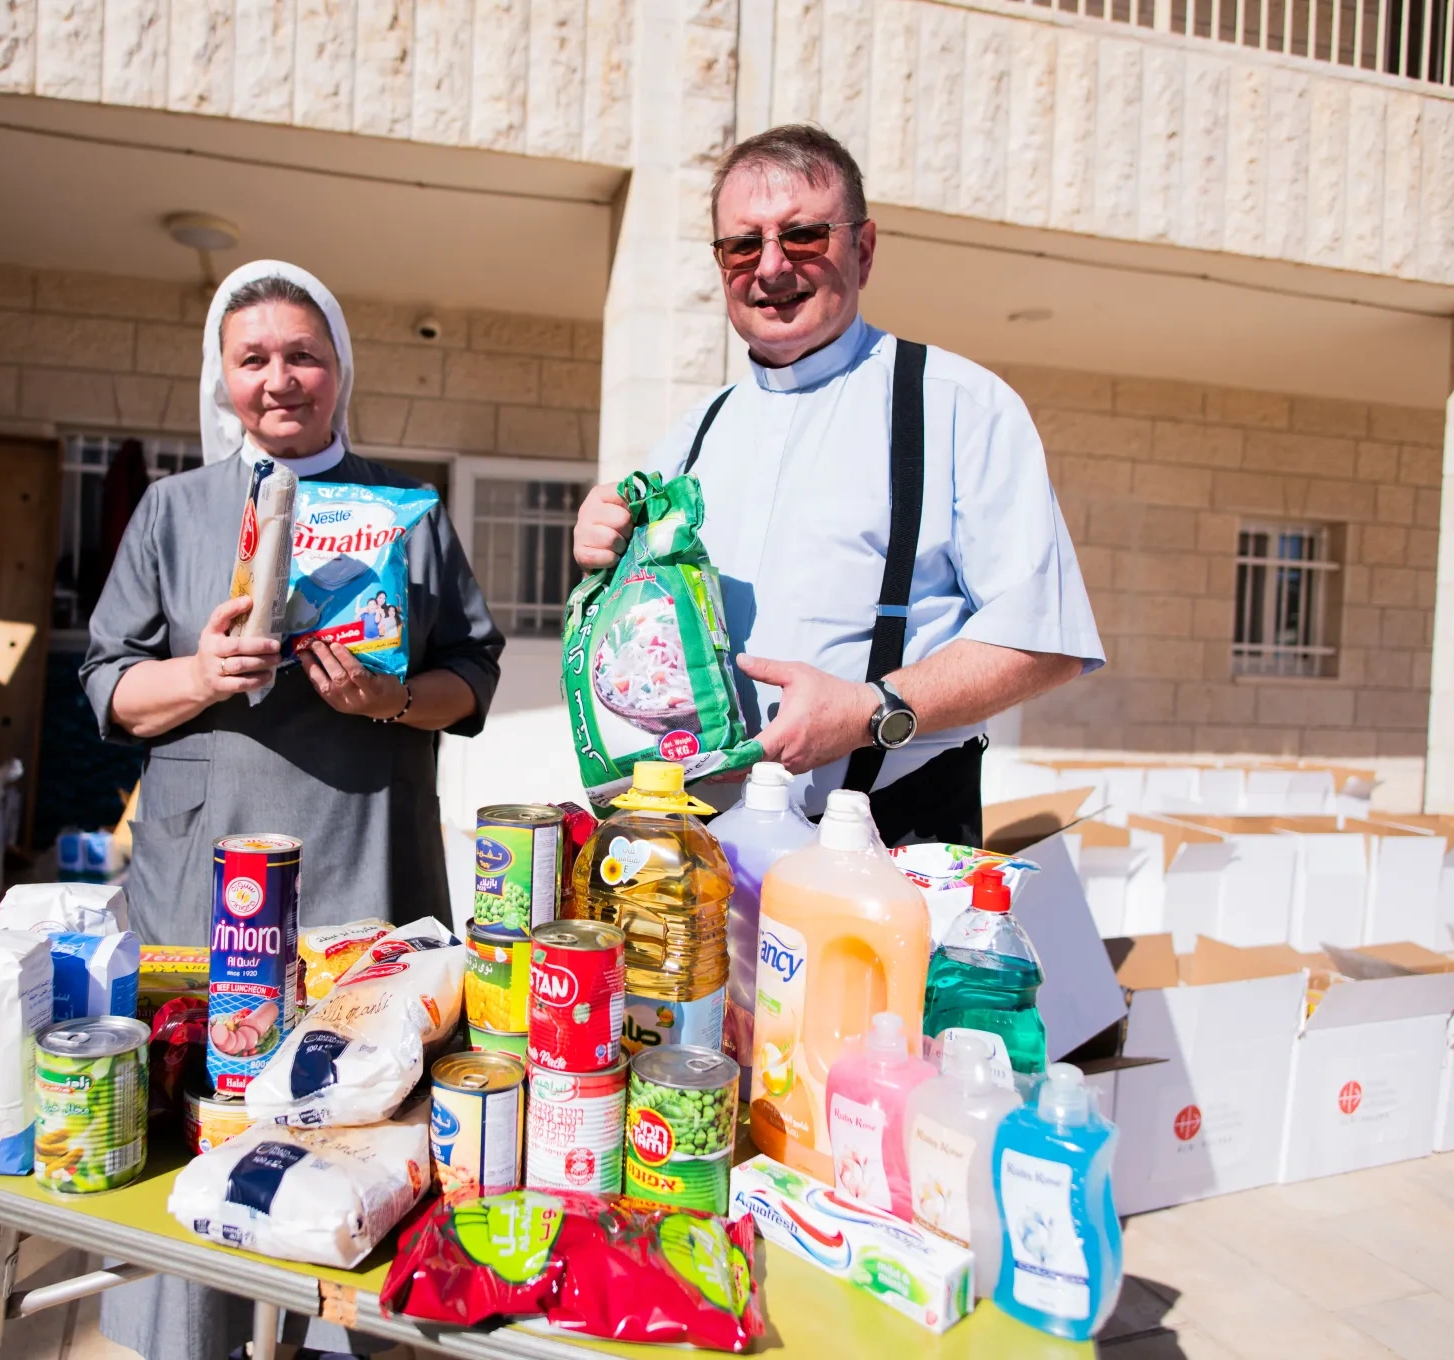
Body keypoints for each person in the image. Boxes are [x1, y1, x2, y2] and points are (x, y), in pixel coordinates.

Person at [81, 260, 502, 1360]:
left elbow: (475, 679)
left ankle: (341, 1337)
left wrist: (393, 697)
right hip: (204, 880)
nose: (280, 379)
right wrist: (201, 672)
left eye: (303, 354)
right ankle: (188, 1335)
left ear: (341, 371)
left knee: (359, 1125)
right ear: (221, 375)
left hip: (367, 857)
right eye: (253, 357)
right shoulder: (175, 513)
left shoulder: (405, 515)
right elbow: (105, 689)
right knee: (206, 1114)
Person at [574, 125, 1102, 845]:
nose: (769, 267)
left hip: (892, 835)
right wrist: (605, 553)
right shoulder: (692, 435)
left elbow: (1043, 640)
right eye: (742, 245)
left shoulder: (957, 405)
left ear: (864, 248)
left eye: (802, 236)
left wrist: (870, 707)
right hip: (704, 847)